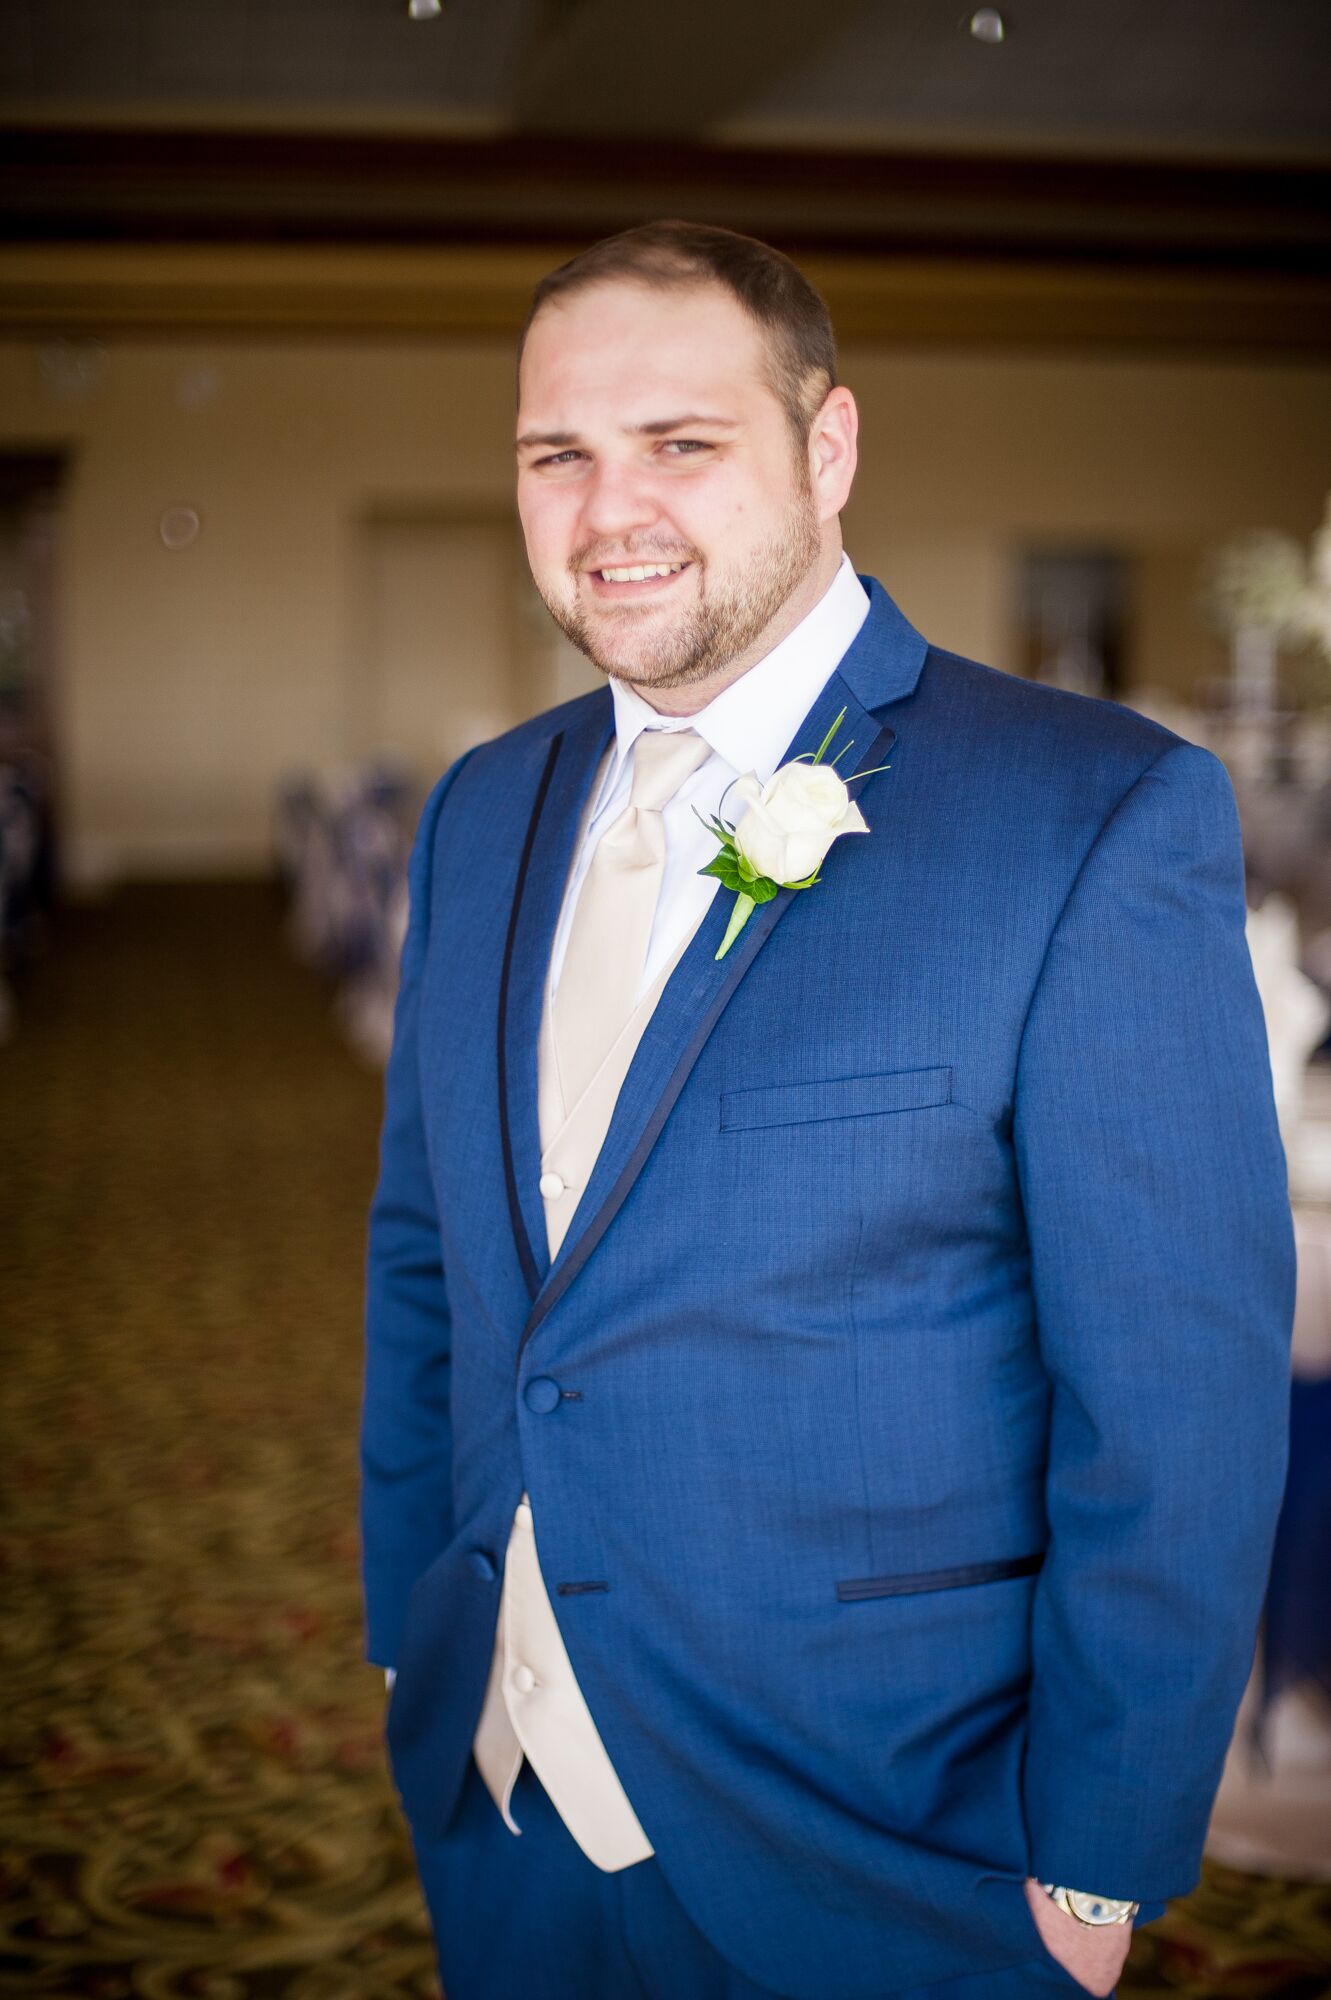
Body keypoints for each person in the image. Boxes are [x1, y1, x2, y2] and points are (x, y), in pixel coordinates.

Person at [360, 221, 1293, 2000]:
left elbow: (1177, 1394)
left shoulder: (1093, 816)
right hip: (508, 1808)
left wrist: (1095, 1868)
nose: (607, 507)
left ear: (830, 447)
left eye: (682, 445)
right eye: (557, 455)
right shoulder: (483, 809)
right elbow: (431, 1263)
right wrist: (419, 1634)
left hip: (896, 1846)